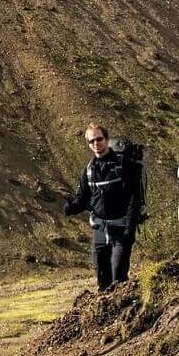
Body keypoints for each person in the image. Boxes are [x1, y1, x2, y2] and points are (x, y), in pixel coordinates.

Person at [63, 123, 144, 291]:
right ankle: (105, 312)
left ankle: (123, 313)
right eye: (91, 141)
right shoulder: (89, 170)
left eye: (99, 139)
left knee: (118, 276)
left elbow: (134, 199)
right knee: (102, 277)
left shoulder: (125, 165)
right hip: (100, 230)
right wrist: (71, 207)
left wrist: (130, 228)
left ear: (106, 139)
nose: (96, 144)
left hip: (122, 230)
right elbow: (83, 197)